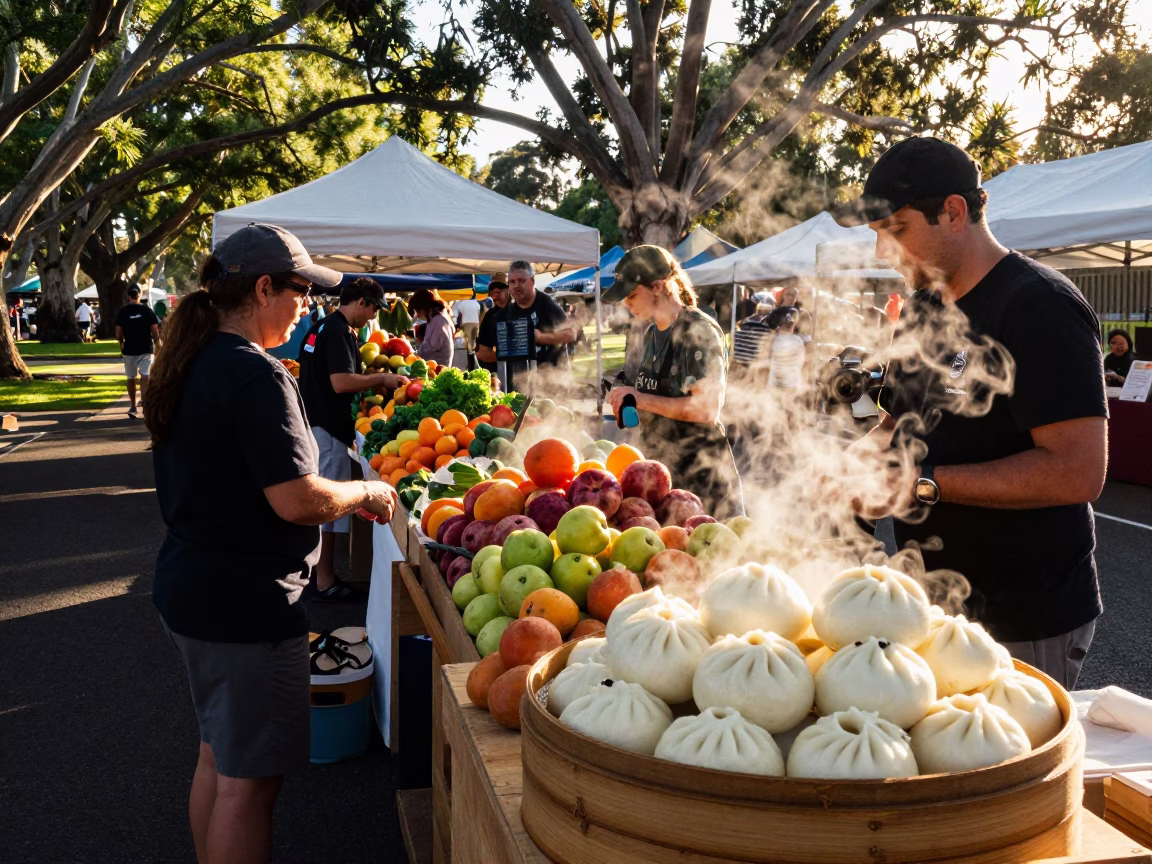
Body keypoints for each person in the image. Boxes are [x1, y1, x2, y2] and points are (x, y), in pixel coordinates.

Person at [144, 223, 399, 864]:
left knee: (220, 756)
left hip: (195, 587)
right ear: (264, 289)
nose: (307, 304)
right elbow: (299, 498)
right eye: (300, 291)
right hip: (243, 605)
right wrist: (365, 494)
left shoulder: (194, 359)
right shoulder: (255, 374)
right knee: (250, 782)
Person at [837, 136, 1107, 689]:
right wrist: (851, 464)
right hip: (933, 605)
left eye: (895, 229)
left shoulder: (1039, 306)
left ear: (953, 212)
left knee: (1004, 768)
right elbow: (896, 421)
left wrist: (924, 484)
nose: (882, 252)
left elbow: (1079, 470)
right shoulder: (923, 308)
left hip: (1024, 613)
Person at [605, 246, 743, 519]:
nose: (627, 304)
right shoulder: (651, 334)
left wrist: (638, 398)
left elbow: (706, 410)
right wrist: (627, 401)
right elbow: (655, 399)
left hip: (703, 476)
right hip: (661, 474)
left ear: (657, 286)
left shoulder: (698, 330)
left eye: (632, 295)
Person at [299, 276, 407, 601]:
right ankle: (324, 579)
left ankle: (321, 573)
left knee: (325, 506)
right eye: (374, 309)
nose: (374, 316)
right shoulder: (338, 331)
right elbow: (341, 382)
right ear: (361, 303)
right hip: (327, 429)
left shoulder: (323, 326)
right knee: (328, 507)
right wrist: (382, 378)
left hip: (318, 423)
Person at [493, 260, 574, 394]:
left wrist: (541, 337)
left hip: (552, 382)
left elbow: (571, 334)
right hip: (521, 384)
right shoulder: (505, 314)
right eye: (512, 282)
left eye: (521, 280)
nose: (516, 285)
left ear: (532, 281)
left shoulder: (546, 303)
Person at [115, 286, 161, 419]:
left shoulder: (122, 312)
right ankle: (145, 404)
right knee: (145, 376)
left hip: (129, 349)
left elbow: (118, 333)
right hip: (146, 348)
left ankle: (133, 405)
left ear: (128, 296)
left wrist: (121, 342)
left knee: (131, 378)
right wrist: (157, 343)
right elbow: (155, 330)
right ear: (139, 295)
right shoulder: (147, 311)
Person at [408, 288, 454, 368]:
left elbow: (432, 347)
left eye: (417, 310)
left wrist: (415, 354)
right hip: (435, 365)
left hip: (438, 366)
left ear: (424, 308)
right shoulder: (435, 317)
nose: (417, 314)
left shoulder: (439, 320)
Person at [475, 278, 509, 374]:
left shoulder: (523, 310)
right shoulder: (491, 314)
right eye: (492, 293)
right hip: (499, 372)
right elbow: (483, 352)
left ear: (509, 290)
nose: (494, 297)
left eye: (498, 292)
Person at [767, 308, 806, 390]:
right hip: (792, 382)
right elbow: (800, 362)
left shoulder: (773, 340)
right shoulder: (798, 341)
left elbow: (768, 359)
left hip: (775, 381)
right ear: (792, 326)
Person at [454, 290, 483, 358]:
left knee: (468, 340)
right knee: (474, 339)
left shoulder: (463, 302)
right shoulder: (477, 302)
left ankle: (470, 356)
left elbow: (456, 311)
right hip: (476, 322)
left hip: (466, 322)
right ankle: (474, 355)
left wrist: (455, 323)